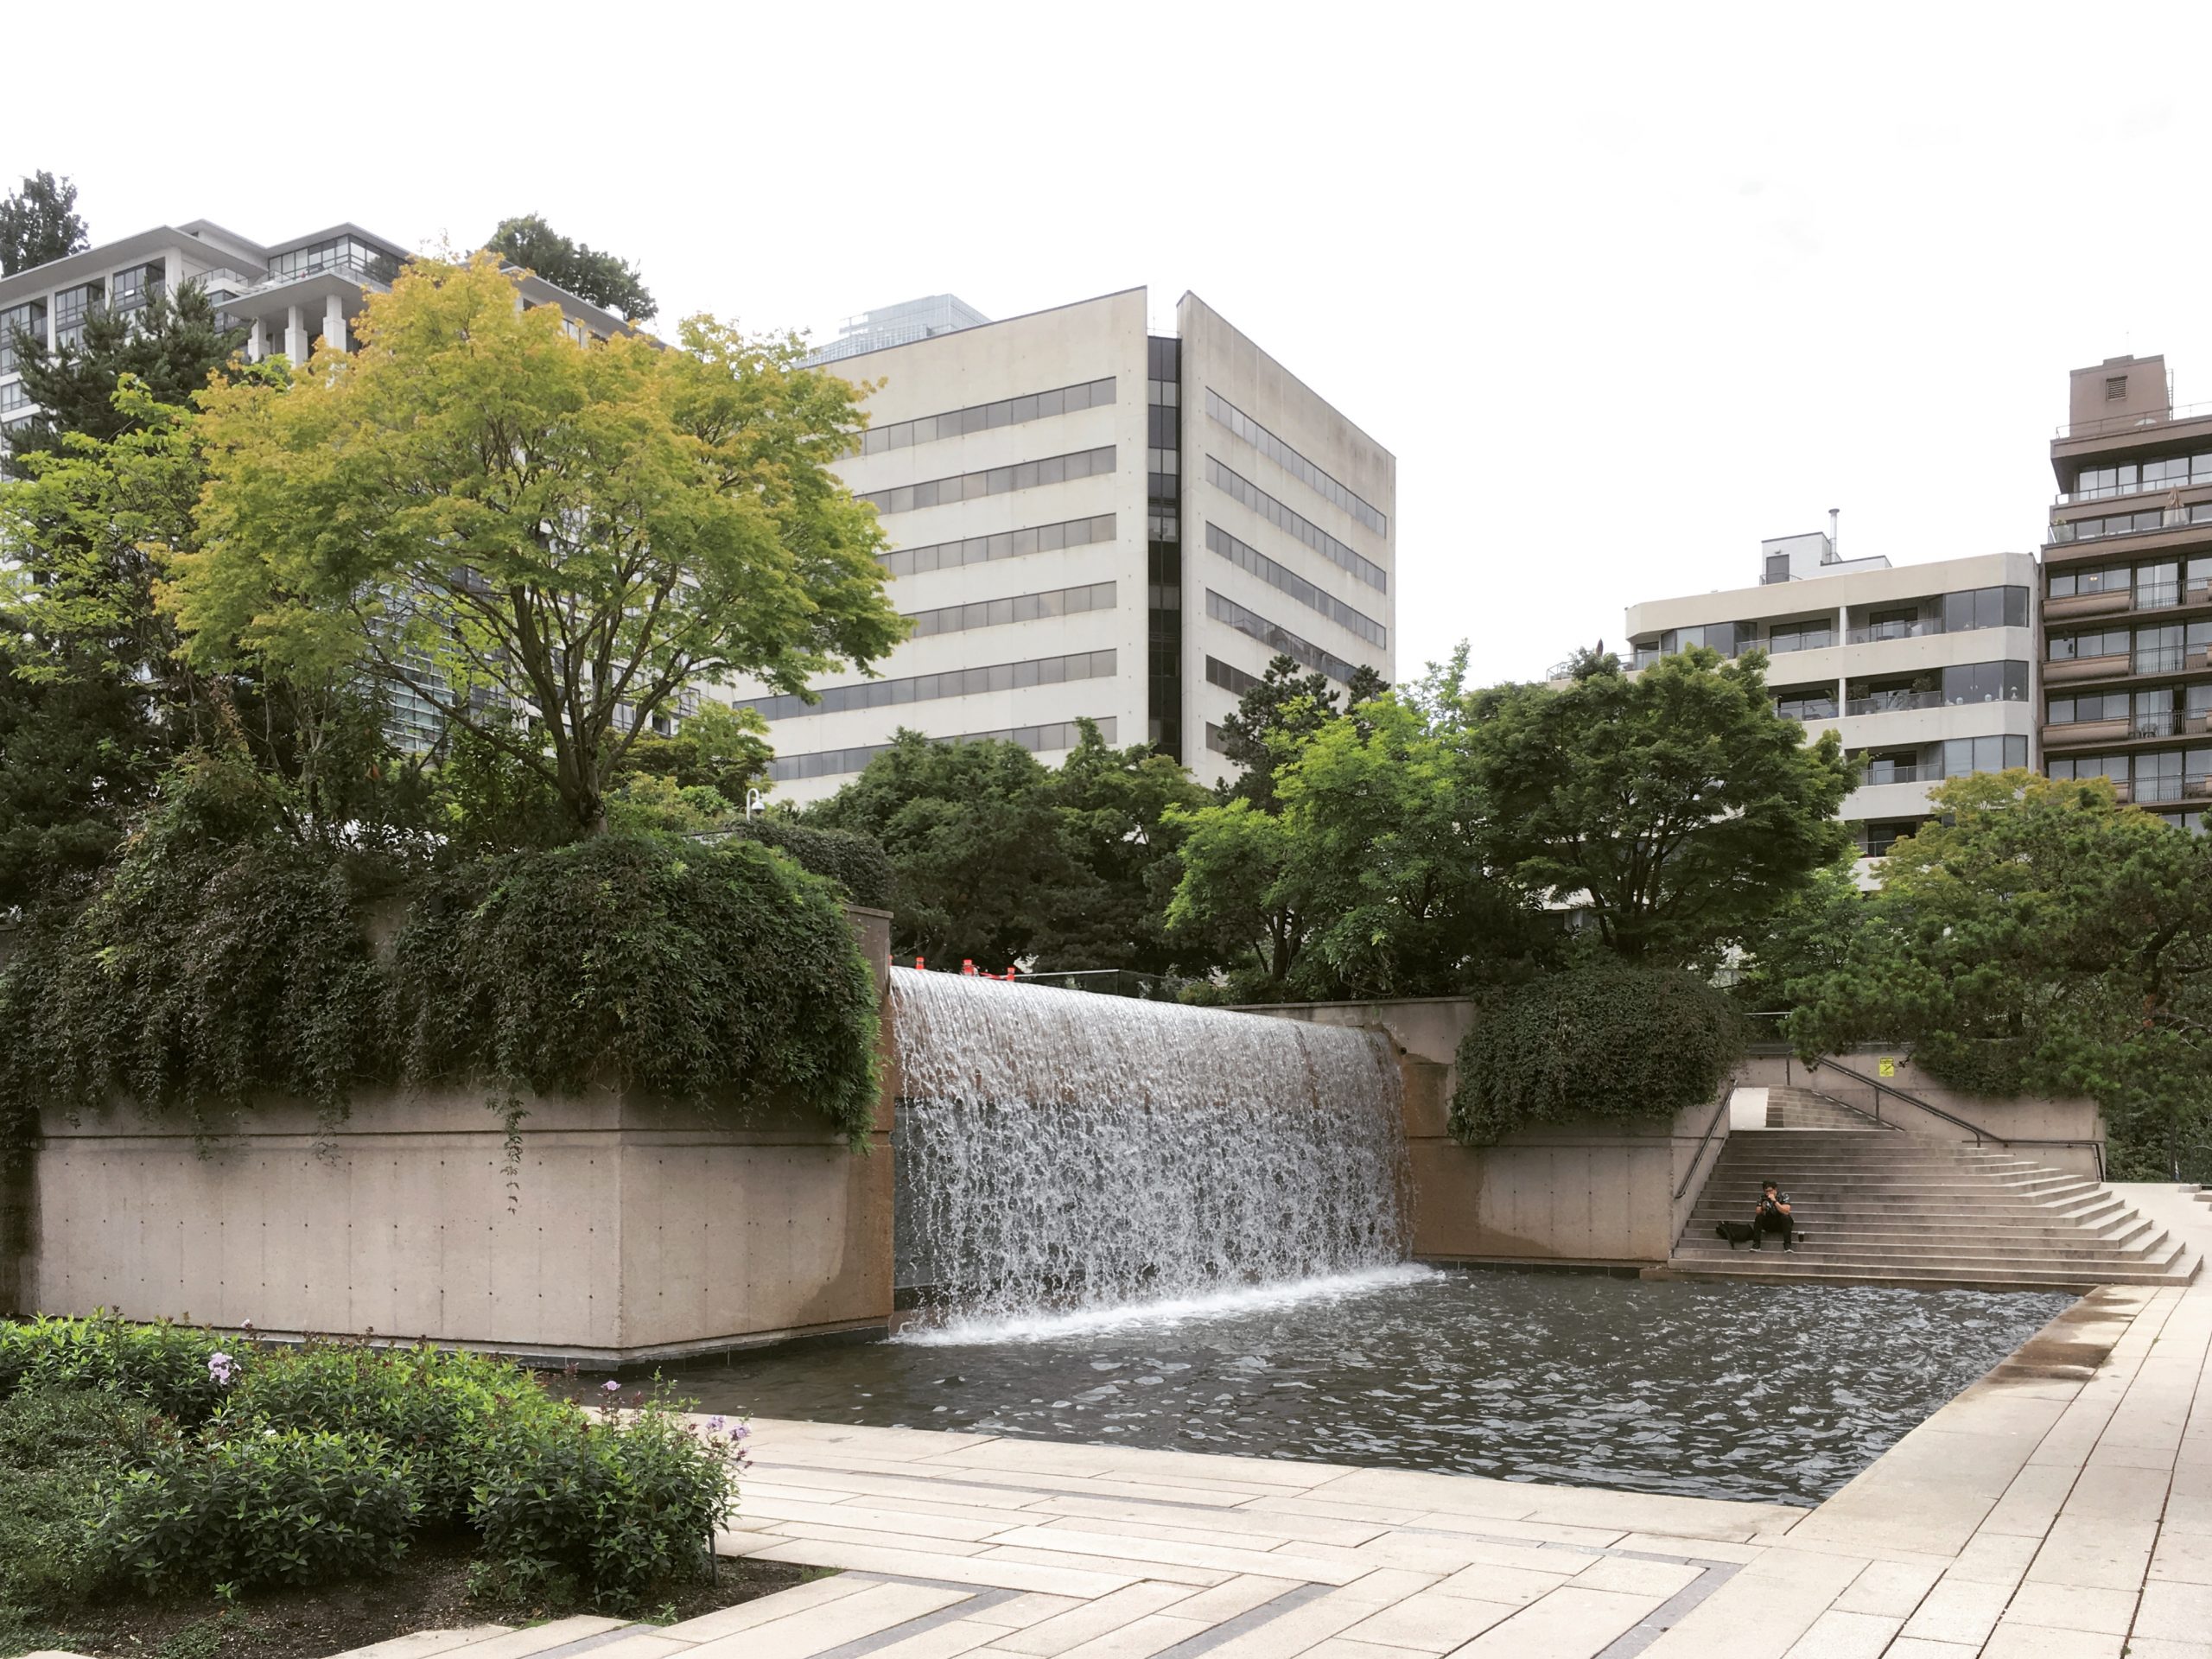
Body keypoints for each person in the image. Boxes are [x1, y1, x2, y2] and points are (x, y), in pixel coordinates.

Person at [1752, 1181, 1794, 1251]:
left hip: (1781, 1223)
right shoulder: (1762, 1197)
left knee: (1786, 1217)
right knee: (1759, 1218)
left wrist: (1775, 1201)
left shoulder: (1783, 1196)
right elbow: (1757, 1212)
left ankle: (1787, 1244)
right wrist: (1762, 1208)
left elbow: (1786, 1211)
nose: (1768, 1193)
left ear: (1775, 1189)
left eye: (1770, 1191)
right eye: (1766, 1191)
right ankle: (1756, 1244)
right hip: (1769, 1223)